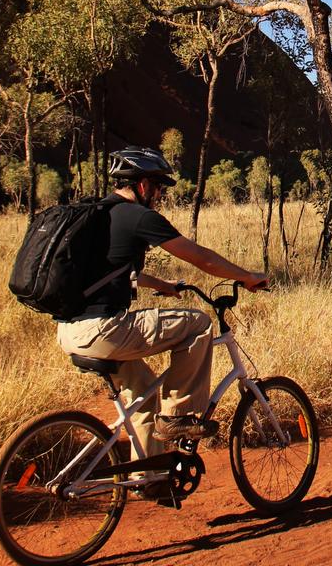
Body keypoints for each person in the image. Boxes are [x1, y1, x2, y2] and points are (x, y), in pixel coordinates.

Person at [55, 145, 268, 463]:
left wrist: (163, 285)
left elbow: (121, 272)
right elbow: (201, 258)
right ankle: (179, 416)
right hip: (105, 331)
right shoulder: (138, 217)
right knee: (198, 324)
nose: (159, 194)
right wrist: (247, 276)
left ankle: (148, 478)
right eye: (157, 186)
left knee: (143, 394)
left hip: (70, 331)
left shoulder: (98, 214)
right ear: (141, 184)